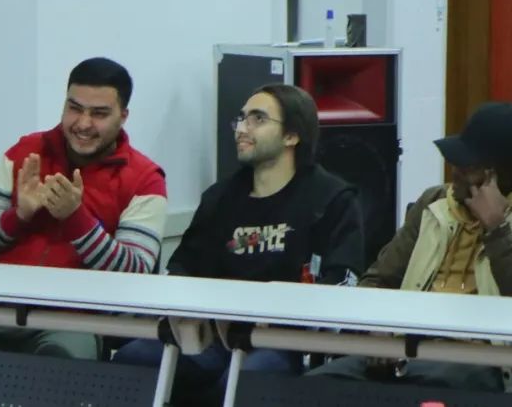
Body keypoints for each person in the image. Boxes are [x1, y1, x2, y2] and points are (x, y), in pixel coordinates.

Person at [114, 84, 364, 406]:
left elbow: (341, 281)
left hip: (285, 342)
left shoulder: (331, 199)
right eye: (241, 118)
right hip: (213, 338)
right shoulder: (220, 198)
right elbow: (183, 267)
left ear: (291, 136)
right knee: (133, 360)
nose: (242, 129)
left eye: (258, 119)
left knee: (244, 382)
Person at [0, 57, 168, 358]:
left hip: (71, 321)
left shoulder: (145, 179)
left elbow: (135, 275)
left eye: (99, 114)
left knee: (56, 368)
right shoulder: (24, 153)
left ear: (123, 117)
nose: (83, 124)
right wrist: (18, 216)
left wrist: (77, 220)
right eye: (74, 108)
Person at [309, 101, 512, 393]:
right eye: (456, 161)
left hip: (480, 358)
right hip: (406, 346)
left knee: (437, 388)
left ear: (511, 173)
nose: (456, 172)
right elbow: (377, 281)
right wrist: (378, 330)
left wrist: (497, 229)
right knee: (315, 386)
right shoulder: (434, 203)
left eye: (471, 167)